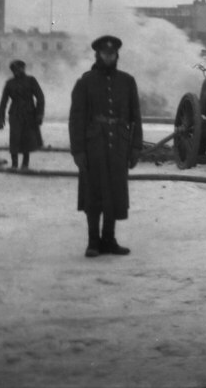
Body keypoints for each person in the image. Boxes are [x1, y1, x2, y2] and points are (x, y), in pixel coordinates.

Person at [68, 35, 143, 258]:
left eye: (112, 54)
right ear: (97, 55)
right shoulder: (85, 82)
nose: (108, 57)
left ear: (117, 55)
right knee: (93, 193)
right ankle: (93, 241)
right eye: (104, 53)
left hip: (118, 145)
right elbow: (76, 119)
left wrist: (135, 147)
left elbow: (135, 117)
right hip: (94, 146)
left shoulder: (127, 82)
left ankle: (109, 239)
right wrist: (78, 150)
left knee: (114, 192)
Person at [0, 59, 45, 172]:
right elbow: (3, 102)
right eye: (14, 70)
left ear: (23, 68)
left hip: (29, 114)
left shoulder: (31, 80)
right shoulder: (10, 83)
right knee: (14, 138)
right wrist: (1, 118)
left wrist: (39, 114)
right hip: (15, 114)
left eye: (19, 69)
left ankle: (25, 164)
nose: (17, 71)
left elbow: (40, 98)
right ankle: (14, 164)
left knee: (27, 139)